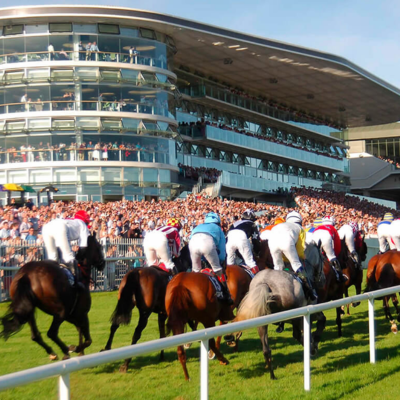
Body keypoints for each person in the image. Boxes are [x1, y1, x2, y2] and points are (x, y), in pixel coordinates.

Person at [268, 211, 317, 302]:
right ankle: (310, 291)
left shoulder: (279, 225)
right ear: (300, 221)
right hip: (287, 243)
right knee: (296, 264)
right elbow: (300, 248)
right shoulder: (300, 228)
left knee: (278, 267)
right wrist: (302, 256)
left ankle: (272, 289)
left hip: (272, 243)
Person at [189, 212, 233, 304]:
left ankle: (192, 293)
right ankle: (225, 294)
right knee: (218, 269)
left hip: (193, 243)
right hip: (207, 243)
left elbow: (190, 239)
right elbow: (222, 248)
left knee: (196, 271)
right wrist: (220, 260)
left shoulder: (198, 226)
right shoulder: (218, 228)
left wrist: (202, 260)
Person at [42, 210, 91, 287]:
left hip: (46, 227)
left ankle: (48, 283)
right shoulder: (82, 224)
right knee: (68, 257)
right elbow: (83, 247)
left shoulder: (72, 221)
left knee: (52, 258)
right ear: (85, 220)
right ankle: (75, 285)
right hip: (60, 227)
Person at [313, 216, 347, 282]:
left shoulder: (317, 227)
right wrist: (335, 255)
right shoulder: (333, 228)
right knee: (332, 257)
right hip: (327, 236)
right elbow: (337, 245)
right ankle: (340, 276)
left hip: (315, 235)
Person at [226, 209, 259, 274]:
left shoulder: (234, 223)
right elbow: (255, 240)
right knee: (250, 262)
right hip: (242, 238)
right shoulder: (253, 224)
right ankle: (258, 280)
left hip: (230, 239)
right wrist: (257, 252)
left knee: (230, 263)